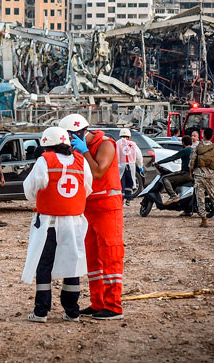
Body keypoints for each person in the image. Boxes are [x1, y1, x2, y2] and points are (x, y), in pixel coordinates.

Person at [22, 127, 92, 323]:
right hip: (75, 222)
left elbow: (30, 189)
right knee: (73, 265)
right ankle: (72, 311)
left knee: (44, 265)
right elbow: (87, 188)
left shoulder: (45, 160)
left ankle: (41, 311)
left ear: (47, 145)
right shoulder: (81, 161)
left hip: (49, 223)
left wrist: (48, 199)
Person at [59, 113, 124, 320]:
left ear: (78, 133)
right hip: (88, 208)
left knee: (111, 256)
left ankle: (113, 306)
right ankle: (98, 303)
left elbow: (98, 172)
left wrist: (85, 152)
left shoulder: (106, 144)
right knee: (93, 259)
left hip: (107, 208)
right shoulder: (77, 150)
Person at [190, 128, 214, 227]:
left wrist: (191, 172)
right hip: (210, 176)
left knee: (200, 198)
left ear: (203, 135)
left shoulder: (197, 147)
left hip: (199, 175)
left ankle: (204, 220)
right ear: (212, 136)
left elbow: (192, 162)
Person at [154, 136, 194, 205]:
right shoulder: (193, 150)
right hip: (193, 174)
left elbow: (172, 158)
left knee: (165, 178)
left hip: (186, 174)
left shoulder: (185, 151)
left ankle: (173, 196)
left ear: (183, 143)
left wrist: (158, 162)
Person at [115, 128, 143, 206]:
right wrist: (140, 166)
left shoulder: (117, 143)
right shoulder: (133, 144)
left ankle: (121, 199)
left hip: (120, 166)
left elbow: (115, 155)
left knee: (121, 182)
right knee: (129, 182)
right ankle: (128, 198)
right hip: (131, 166)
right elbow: (139, 156)